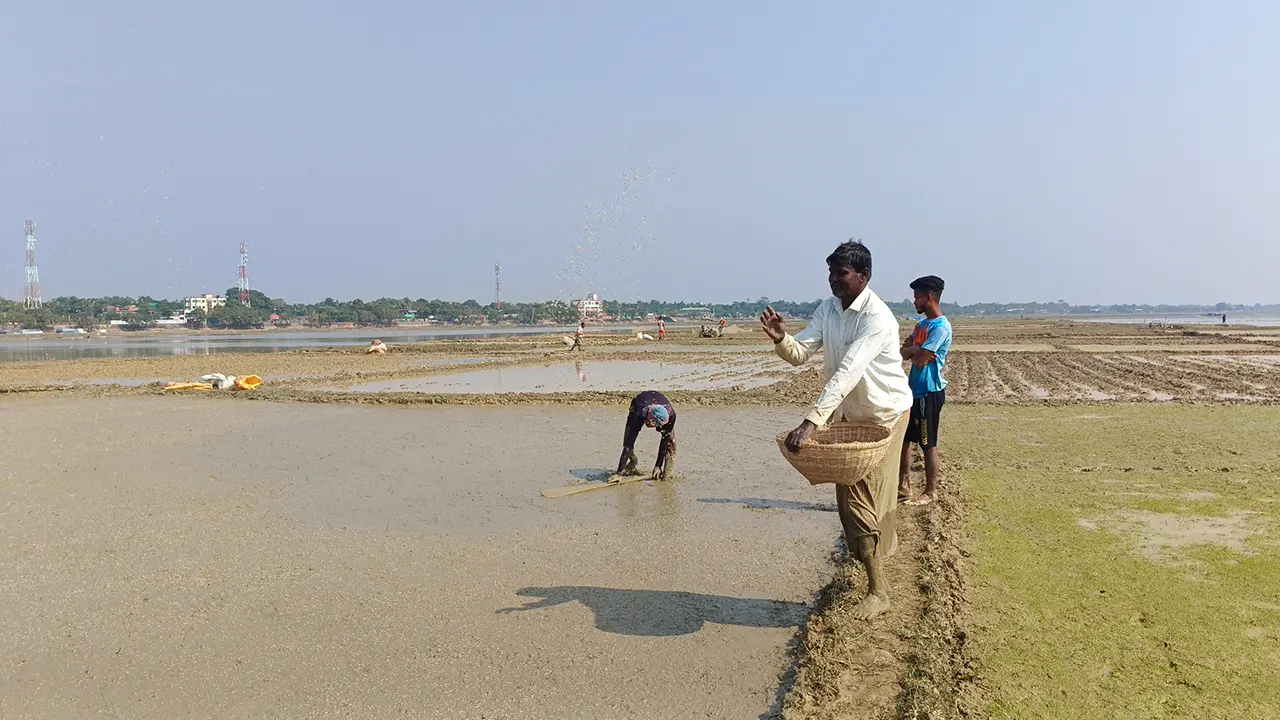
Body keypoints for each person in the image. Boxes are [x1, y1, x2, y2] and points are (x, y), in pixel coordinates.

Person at [761, 239, 912, 621]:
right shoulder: (828, 309)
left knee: (863, 500)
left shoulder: (877, 318)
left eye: (841, 273)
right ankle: (872, 557)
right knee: (851, 499)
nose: (833, 280)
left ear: (864, 276)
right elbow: (800, 353)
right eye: (830, 272)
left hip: (885, 415)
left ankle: (879, 591)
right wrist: (782, 339)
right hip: (850, 418)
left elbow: (847, 372)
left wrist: (812, 422)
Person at [899, 276, 952, 506]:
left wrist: (915, 350)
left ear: (928, 298)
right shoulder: (922, 326)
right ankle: (904, 486)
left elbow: (919, 360)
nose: (914, 302)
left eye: (916, 297)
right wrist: (915, 349)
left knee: (928, 443)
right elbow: (904, 352)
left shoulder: (941, 328)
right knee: (904, 439)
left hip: (929, 392)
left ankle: (930, 492)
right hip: (913, 391)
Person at [616, 390, 676, 480]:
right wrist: (619, 474)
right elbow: (628, 445)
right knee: (628, 439)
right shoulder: (639, 414)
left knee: (670, 441)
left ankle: (667, 473)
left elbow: (664, 441)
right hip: (639, 403)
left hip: (658, 403)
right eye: (653, 425)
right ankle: (633, 460)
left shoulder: (671, 415)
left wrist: (658, 466)